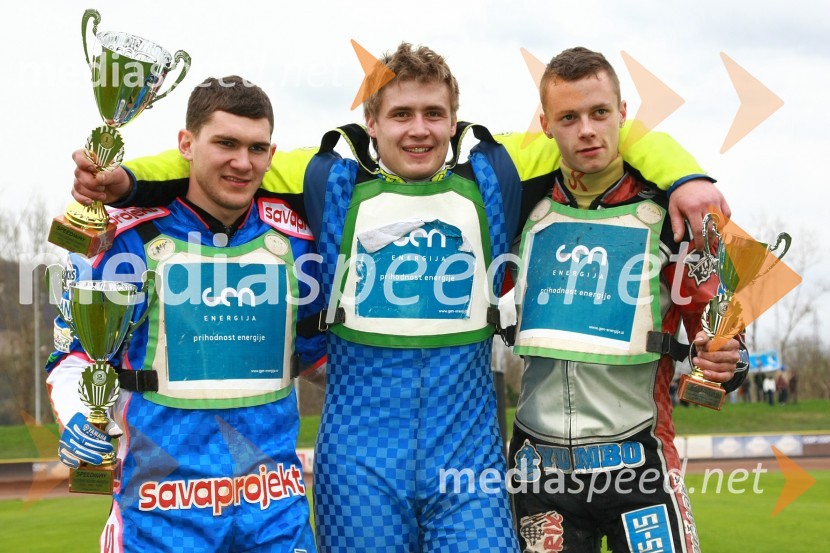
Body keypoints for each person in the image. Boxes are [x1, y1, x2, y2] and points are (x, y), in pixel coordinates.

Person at [69, 44, 730, 552]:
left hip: (466, 456)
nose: (419, 129)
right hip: (359, 460)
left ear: (454, 118)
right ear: (372, 122)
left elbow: (610, 135)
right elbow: (221, 164)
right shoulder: (326, 175)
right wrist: (124, 178)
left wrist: (690, 177)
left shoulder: (498, 170)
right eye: (402, 114)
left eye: (433, 114)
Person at [47, 76, 324, 552]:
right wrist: (78, 415)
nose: (243, 162)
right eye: (226, 143)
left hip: (276, 516)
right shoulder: (123, 239)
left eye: (257, 148)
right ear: (187, 145)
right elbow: (75, 358)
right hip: (160, 517)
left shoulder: (299, 240)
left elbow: (322, 359)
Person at [506, 47, 749, 553]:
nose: (587, 130)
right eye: (569, 118)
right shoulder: (515, 203)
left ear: (623, 114)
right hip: (537, 469)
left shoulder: (677, 209)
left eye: (599, 113)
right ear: (546, 126)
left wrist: (723, 365)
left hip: (640, 462)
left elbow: (726, 344)